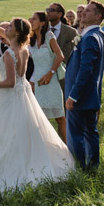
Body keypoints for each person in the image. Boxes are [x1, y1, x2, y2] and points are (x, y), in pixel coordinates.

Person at [0, 18, 75, 192]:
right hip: (24, 93)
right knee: (24, 131)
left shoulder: (8, 53)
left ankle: (7, 169)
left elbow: (10, 82)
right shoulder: (23, 49)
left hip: (9, 95)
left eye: (10, 26)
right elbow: (18, 74)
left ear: (17, 32)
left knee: (2, 132)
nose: (7, 28)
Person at [65, 0, 104, 170]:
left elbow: (86, 70)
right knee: (91, 133)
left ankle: (79, 169)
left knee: (76, 135)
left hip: (80, 95)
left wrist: (73, 95)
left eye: (88, 11)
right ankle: (93, 167)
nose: (83, 13)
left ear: (98, 16)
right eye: (83, 10)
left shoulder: (90, 38)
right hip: (92, 95)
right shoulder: (100, 35)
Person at [28, 10, 67, 140]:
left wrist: (50, 73)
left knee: (60, 117)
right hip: (38, 83)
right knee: (41, 119)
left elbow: (60, 56)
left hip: (51, 80)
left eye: (34, 19)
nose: (30, 21)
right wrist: (32, 81)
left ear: (42, 23)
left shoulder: (49, 35)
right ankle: (47, 148)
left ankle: (68, 148)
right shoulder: (30, 40)